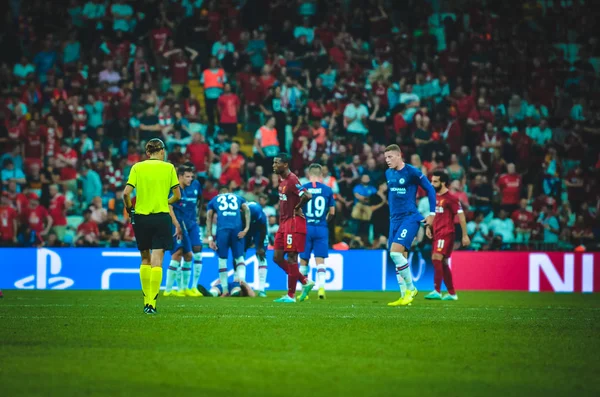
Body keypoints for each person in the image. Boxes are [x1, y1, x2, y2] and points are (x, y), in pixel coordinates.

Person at [123, 138, 182, 315]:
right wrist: (165, 201)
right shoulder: (168, 167)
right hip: (161, 218)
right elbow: (177, 196)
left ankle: (145, 301)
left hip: (141, 217)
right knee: (158, 261)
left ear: (148, 153)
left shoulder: (137, 167)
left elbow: (126, 193)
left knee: (145, 259)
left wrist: (130, 209)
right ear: (162, 151)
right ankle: (152, 304)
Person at [384, 144, 436, 307]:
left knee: (394, 253)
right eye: (385, 158)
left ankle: (412, 288)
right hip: (394, 220)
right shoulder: (388, 173)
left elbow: (430, 190)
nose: (387, 160)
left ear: (399, 155)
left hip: (410, 217)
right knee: (400, 258)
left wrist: (432, 214)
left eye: (390, 157)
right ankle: (404, 296)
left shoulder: (412, 171)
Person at [272, 153, 315, 303]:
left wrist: (297, 207)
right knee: (277, 258)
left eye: (277, 163)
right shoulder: (281, 180)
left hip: (294, 222)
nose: (274, 165)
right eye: (273, 162)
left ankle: (291, 295)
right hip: (283, 223)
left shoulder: (292, 179)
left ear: (285, 164)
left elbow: (307, 195)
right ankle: (304, 281)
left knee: (291, 257)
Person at [425, 171, 470, 301]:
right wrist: (428, 227)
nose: (432, 184)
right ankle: (452, 293)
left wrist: (465, 235)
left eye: (435, 181)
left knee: (436, 257)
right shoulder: (433, 196)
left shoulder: (451, 198)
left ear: (443, 182)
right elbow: (433, 215)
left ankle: (437, 291)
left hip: (446, 233)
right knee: (443, 263)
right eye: (431, 181)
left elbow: (461, 217)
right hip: (436, 233)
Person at [164, 166, 203, 297]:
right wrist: (176, 225)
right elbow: (168, 206)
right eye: (187, 176)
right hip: (174, 225)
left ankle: (184, 288)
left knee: (188, 255)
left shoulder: (185, 191)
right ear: (180, 176)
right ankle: (168, 290)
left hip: (183, 225)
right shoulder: (175, 190)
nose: (190, 179)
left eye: (191, 176)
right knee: (177, 253)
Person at [298, 163, 335, 300]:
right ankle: (321, 289)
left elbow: (297, 208)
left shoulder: (303, 189)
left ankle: (304, 292)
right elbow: (332, 212)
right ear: (321, 175)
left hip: (305, 227)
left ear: (308, 174)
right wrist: (325, 220)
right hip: (321, 228)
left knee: (303, 260)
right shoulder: (327, 190)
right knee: (320, 260)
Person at [206, 186, 250, 296]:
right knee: (239, 258)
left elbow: (209, 217)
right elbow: (247, 209)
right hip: (237, 229)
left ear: (219, 193)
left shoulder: (214, 200)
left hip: (222, 230)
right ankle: (242, 284)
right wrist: (246, 228)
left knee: (222, 259)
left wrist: (210, 237)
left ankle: (225, 290)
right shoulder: (238, 197)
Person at [245, 201, 269, 297]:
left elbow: (263, 228)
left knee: (261, 255)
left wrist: (259, 247)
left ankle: (262, 289)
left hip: (259, 230)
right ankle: (238, 284)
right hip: (245, 228)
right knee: (240, 253)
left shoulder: (257, 212)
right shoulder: (241, 213)